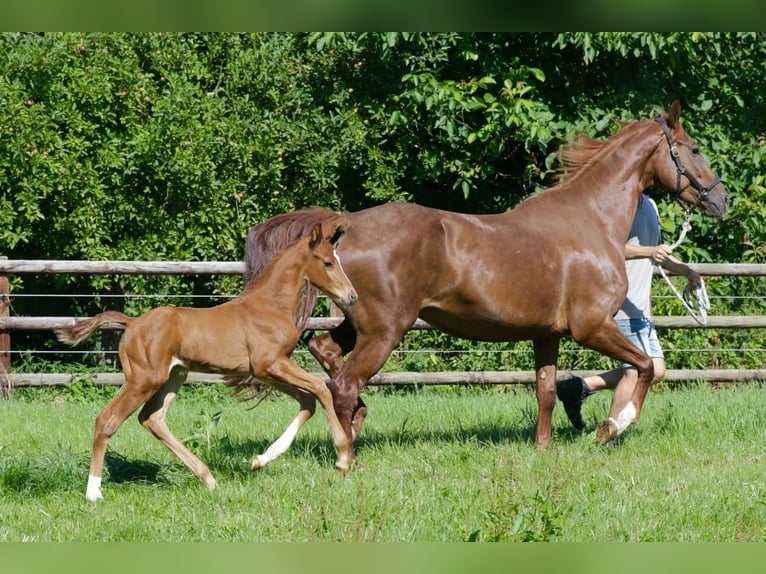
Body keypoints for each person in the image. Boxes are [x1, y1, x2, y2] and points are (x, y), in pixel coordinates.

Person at [556, 192, 702, 430]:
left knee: (657, 369)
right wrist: (649, 251)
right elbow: (606, 248)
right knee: (633, 370)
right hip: (620, 303)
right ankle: (609, 434)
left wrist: (688, 272)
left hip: (641, 307)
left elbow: (659, 255)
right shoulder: (618, 205)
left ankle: (578, 387)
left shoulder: (651, 206)